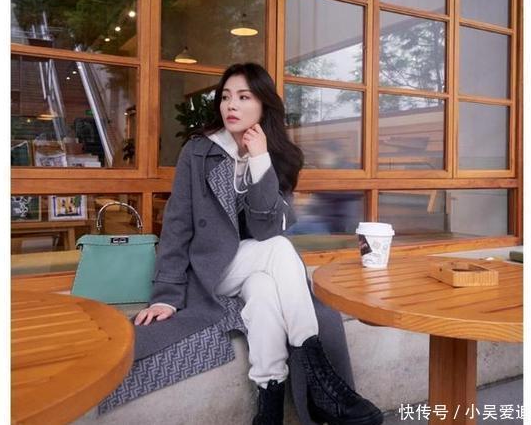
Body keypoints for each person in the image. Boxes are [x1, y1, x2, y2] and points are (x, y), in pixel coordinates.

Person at [134, 63, 383, 425]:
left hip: (254, 267)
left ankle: (268, 407)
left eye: (244, 97)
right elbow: (177, 225)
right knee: (280, 249)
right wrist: (166, 295)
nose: (231, 105)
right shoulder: (199, 151)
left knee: (265, 292)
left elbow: (267, 227)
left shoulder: (277, 155)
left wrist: (260, 159)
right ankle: (320, 378)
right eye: (225, 97)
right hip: (209, 271)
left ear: (263, 105)